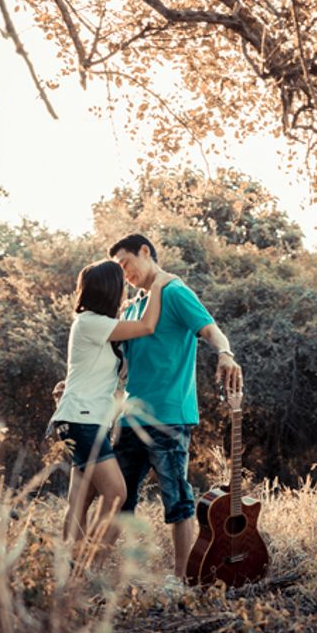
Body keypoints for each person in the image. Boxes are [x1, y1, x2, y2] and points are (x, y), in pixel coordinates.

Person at [109, 233, 243, 581]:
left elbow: (212, 330)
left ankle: (181, 580)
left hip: (169, 416)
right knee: (117, 500)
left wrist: (225, 354)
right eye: (119, 270)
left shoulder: (176, 292)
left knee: (177, 500)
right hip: (130, 418)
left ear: (145, 252)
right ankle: (95, 579)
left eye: (126, 264)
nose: (125, 274)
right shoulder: (136, 305)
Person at [50, 258, 174, 558]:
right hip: (82, 421)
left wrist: (144, 296)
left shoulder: (96, 323)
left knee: (79, 501)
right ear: (109, 289)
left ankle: (70, 574)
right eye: (121, 286)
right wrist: (157, 284)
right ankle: (84, 567)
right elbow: (146, 325)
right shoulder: (91, 322)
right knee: (117, 494)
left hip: (82, 418)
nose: (124, 291)